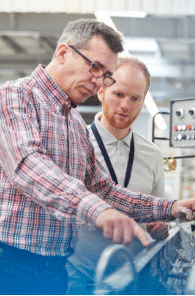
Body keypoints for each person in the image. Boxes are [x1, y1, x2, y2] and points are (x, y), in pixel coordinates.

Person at [0, 19, 195, 295]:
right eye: (94, 66)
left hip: (55, 269)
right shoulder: (16, 96)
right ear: (63, 53)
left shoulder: (75, 123)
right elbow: (28, 166)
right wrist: (99, 211)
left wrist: (170, 207)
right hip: (7, 266)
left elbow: (104, 190)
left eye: (105, 74)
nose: (97, 80)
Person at [66, 57, 169, 294]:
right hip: (78, 279)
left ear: (143, 102)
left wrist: (160, 226)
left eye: (135, 98)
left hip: (133, 279)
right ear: (101, 92)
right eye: (118, 94)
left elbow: (157, 211)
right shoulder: (75, 144)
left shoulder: (152, 155)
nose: (125, 105)